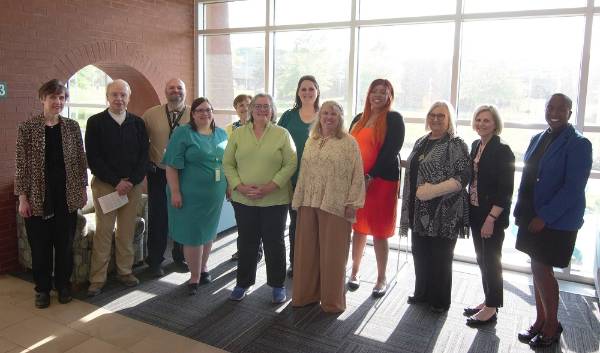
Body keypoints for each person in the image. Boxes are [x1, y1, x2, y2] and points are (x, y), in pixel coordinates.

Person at [514, 93, 592, 348]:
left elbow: (573, 188)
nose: (554, 112)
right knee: (537, 270)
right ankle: (540, 320)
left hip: (555, 220)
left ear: (570, 112)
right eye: (550, 107)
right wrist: (520, 211)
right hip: (532, 216)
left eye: (561, 108)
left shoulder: (579, 143)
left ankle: (551, 325)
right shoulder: (539, 138)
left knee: (542, 270)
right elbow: (528, 177)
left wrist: (544, 217)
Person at [14, 79, 87, 308]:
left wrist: (83, 188)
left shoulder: (72, 127)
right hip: (37, 198)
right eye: (53, 97)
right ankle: (42, 289)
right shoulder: (27, 128)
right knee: (40, 247)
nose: (58, 102)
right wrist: (22, 197)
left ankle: (63, 286)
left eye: (62, 97)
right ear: (42, 99)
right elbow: (21, 165)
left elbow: (80, 159)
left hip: (66, 196)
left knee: (65, 245)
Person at [291, 101, 365, 313]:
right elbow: (303, 171)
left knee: (333, 254)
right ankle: (306, 295)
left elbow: (357, 175)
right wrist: (299, 198)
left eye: (333, 113)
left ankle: (332, 302)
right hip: (309, 201)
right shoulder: (311, 140)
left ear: (340, 117)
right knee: (306, 252)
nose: (328, 117)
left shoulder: (349, 142)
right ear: (319, 116)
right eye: (325, 113)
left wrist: (353, 203)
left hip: (336, 204)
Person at [223, 93, 297, 304]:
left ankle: (277, 285)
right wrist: (239, 186)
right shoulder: (238, 134)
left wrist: (270, 187)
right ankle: (243, 283)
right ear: (251, 109)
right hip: (244, 199)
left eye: (266, 106)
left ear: (272, 110)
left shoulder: (282, 134)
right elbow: (227, 163)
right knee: (247, 242)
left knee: (274, 243)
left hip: (275, 199)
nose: (262, 110)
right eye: (258, 106)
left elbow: (291, 163)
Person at [400, 100, 470, 313]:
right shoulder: (422, 141)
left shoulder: (456, 143)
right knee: (420, 253)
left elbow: (462, 177)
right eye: (432, 115)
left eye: (441, 115)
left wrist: (432, 190)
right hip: (418, 210)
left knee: (440, 258)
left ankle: (439, 301)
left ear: (449, 119)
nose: (436, 119)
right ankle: (422, 293)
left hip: (444, 213)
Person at [85, 79, 149, 296]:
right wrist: (116, 182)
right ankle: (97, 279)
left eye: (123, 95)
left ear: (128, 98)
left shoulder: (138, 123)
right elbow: (94, 159)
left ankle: (125, 272)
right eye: (114, 94)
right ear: (107, 97)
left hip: (132, 186)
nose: (119, 99)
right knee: (103, 232)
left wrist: (130, 181)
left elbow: (144, 156)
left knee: (126, 230)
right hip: (106, 186)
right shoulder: (95, 122)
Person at [163, 97, 227, 295]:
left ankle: (204, 266)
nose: (204, 113)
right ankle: (194, 276)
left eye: (208, 110)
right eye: (199, 110)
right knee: (193, 235)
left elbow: (228, 163)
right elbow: (171, 165)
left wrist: (230, 186)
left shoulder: (222, 133)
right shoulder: (183, 133)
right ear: (192, 114)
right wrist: (175, 191)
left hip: (214, 194)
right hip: (188, 194)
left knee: (208, 232)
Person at [348, 78, 405, 298]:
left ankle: (381, 278)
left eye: (384, 92)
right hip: (357, 182)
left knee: (380, 231)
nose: (378, 95)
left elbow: (391, 150)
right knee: (358, 228)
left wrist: (370, 176)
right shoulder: (358, 119)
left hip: (382, 182)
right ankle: (354, 272)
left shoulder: (394, 119)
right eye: (374, 91)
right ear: (369, 94)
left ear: (389, 96)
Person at [464, 105, 515, 326]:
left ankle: (492, 308)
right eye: (478, 120)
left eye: (486, 120)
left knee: (491, 260)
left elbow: (506, 191)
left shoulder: (502, 150)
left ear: (495, 124)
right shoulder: (477, 145)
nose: (481, 124)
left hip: (491, 216)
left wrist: (491, 219)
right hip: (475, 210)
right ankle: (488, 300)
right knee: (482, 258)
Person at [141, 78, 190, 277]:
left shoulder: (194, 113)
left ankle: (181, 257)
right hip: (159, 172)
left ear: (185, 92)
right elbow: (140, 141)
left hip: (185, 173)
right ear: (165, 91)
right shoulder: (151, 114)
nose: (175, 91)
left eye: (179, 88)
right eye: (171, 87)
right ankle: (155, 260)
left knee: (182, 215)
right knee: (158, 217)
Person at [278, 75, 320, 278]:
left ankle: (312, 262)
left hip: (317, 181)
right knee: (295, 223)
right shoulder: (288, 116)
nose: (307, 93)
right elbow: (276, 142)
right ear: (298, 92)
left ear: (317, 92)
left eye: (311, 89)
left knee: (313, 224)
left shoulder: (325, 115)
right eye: (303, 89)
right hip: (291, 179)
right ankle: (295, 262)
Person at [225, 94, 263, 263]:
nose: (244, 107)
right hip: (238, 183)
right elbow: (227, 159)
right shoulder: (229, 130)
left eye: (248, 104)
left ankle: (257, 250)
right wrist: (230, 184)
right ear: (236, 108)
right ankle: (242, 250)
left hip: (256, 181)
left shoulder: (259, 127)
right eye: (240, 104)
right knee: (241, 220)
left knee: (257, 219)